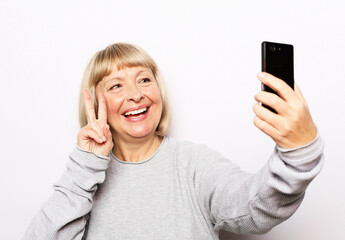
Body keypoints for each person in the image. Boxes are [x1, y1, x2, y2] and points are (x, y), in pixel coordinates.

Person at [23, 42, 324, 240]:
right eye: (116, 85)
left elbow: (256, 208)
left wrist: (298, 153)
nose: (135, 94)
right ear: (95, 103)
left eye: (144, 79)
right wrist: (86, 165)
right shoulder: (84, 178)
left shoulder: (192, 163)